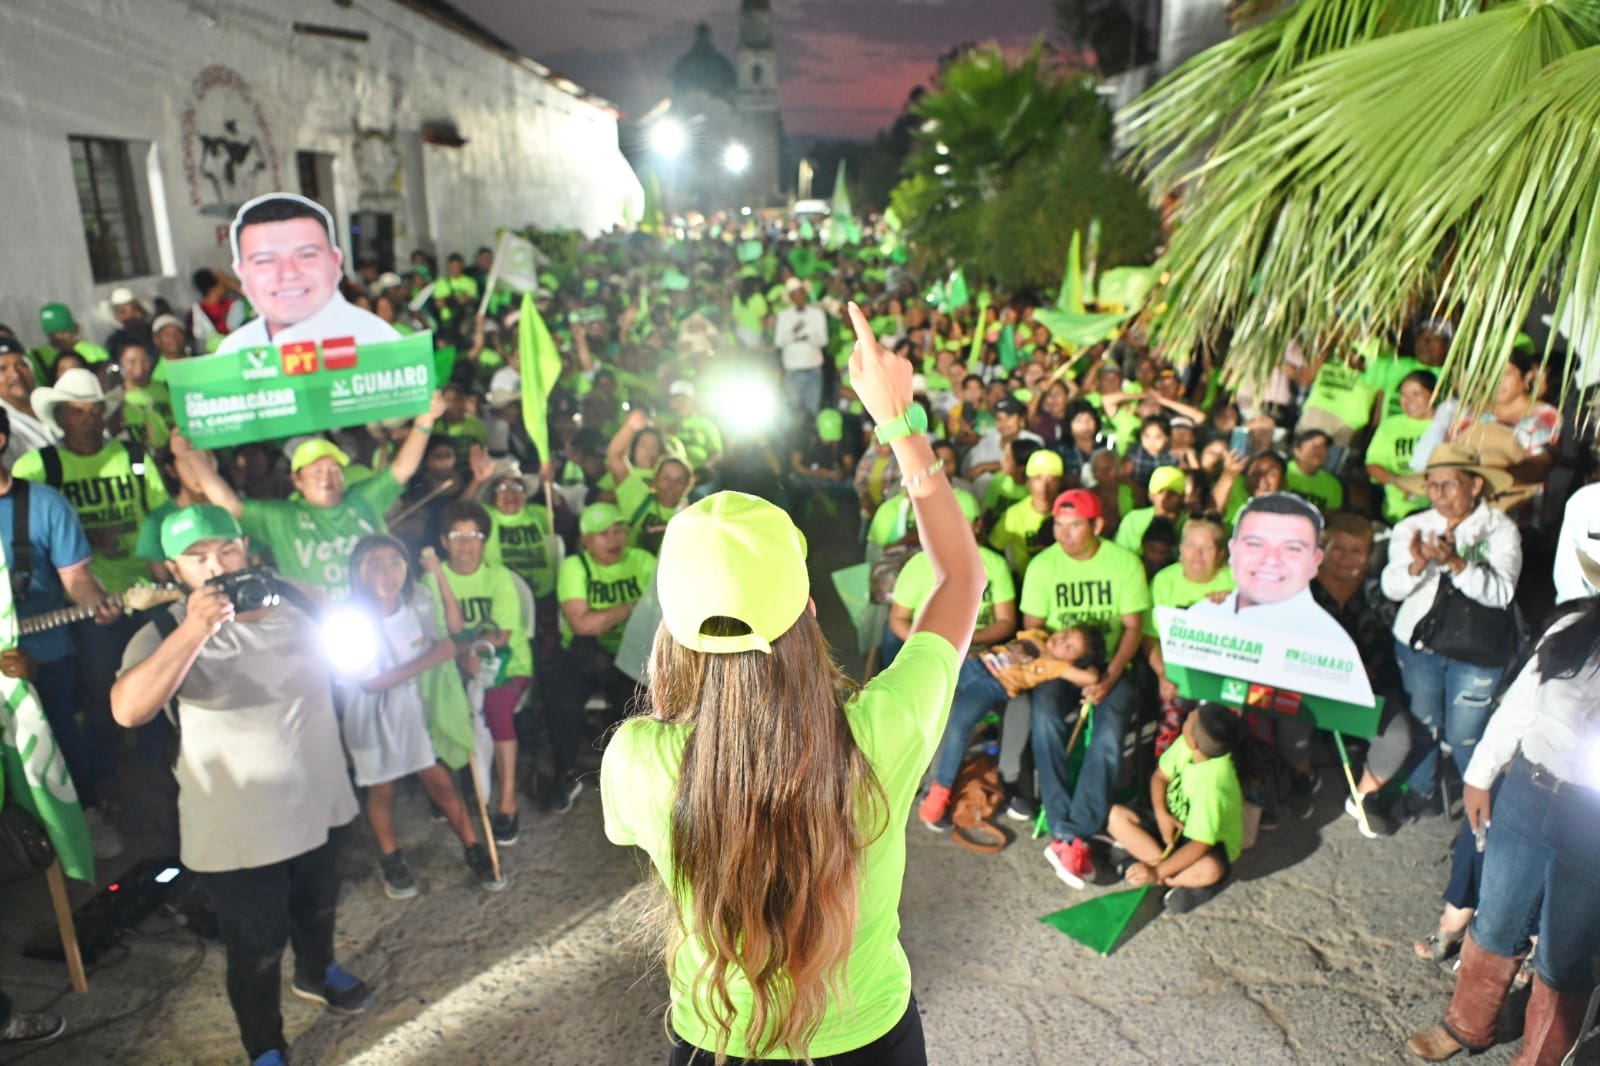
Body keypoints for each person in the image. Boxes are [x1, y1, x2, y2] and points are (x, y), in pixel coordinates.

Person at [600, 302, 984, 1064]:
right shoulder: (880, 732)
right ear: (809, 611)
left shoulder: (637, 760)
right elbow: (961, 577)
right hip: (870, 1039)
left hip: (713, 1042)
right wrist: (899, 422)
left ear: (669, 632)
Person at [110, 505, 371, 1066]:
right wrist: (195, 629)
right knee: (256, 946)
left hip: (319, 797)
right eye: (197, 558)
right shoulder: (163, 632)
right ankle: (265, 1046)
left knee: (319, 904)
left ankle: (317, 970)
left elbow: (354, 650)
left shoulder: (296, 598)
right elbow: (128, 710)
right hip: (236, 829)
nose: (217, 566)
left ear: (245, 549)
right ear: (174, 570)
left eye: (226, 550)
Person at [1404, 587, 1600, 1066]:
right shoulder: (1571, 630)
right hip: (1527, 795)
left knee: (1566, 951)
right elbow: (1520, 705)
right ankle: (1466, 1025)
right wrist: (1480, 775)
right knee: (1496, 917)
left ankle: (1541, 1059)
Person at [340, 536, 503, 895]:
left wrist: (460, 654)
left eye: (395, 562)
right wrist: (434, 657)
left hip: (414, 710)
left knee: (440, 780)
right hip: (371, 718)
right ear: (358, 572)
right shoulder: (348, 621)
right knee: (382, 788)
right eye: (376, 564)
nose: (388, 572)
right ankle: (391, 859)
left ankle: (474, 847)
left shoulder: (415, 604)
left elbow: (440, 641)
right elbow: (370, 683)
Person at [173, 392, 446, 597]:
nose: (327, 479)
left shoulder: (363, 500)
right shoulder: (282, 518)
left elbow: (403, 468)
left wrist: (425, 421)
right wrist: (192, 457)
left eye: (334, 470)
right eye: (316, 472)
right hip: (315, 622)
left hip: (376, 610)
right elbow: (229, 504)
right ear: (297, 480)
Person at [0, 407, 122, 852]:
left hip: (45, 650)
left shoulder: (45, 504)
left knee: (61, 735)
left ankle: (84, 814)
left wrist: (96, 602)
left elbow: (76, 578)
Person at [1381, 444, 1522, 821]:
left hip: (1477, 652)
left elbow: (1502, 593)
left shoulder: (1500, 529)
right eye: (1432, 486)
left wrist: (1458, 564)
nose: (1439, 495)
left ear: (1475, 485)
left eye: (1449, 485)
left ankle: (1485, 808)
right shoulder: (1412, 526)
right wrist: (1417, 566)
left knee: (1465, 736)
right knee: (1422, 725)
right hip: (1419, 647)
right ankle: (1422, 792)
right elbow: (1391, 588)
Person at [1021, 488, 1152, 888]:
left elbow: (1132, 627)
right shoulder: (1043, 565)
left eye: (1074, 525)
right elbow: (1032, 632)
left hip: (1110, 663)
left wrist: (1109, 676)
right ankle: (1066, 829)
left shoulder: (1124, 563)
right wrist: (1065, 671)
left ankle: (1075, 828)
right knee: (1045, 720)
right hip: (1059, 666)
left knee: (1109, 734)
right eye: (1058, 525)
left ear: (1097, 525)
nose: (1064, 534)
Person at [424, 502, 531, 843]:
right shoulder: (433, 579)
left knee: (497, 709)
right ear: (444, 541)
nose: (466, 544)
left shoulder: (498, 576)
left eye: (474, 535)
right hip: (452, 664)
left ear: (485, 541)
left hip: (507, 664)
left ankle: (507, 801)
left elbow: (502, 634)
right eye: (457, 536)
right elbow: (435, 631)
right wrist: (461, 660)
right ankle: (446, 789)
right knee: (433, 703)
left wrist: (471, 653)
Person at [548, 502, 655, 810]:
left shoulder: (642, 560)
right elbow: (581, 625)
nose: (614, 539)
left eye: (619, 530)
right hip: (586, 653)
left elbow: (660, 611)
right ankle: (565, 774)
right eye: (603, 534)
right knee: (561, 701)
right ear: (586, 541)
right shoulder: (575, 566)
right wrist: (632, 607)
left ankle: (636, 781)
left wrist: (605, 617)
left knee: (641, 708)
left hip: (632, 651)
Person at [217, 193, 399, 354]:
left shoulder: (377, 341)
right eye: (265, 261)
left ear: (335, 262)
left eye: (306, 256)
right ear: (242, 273)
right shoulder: (234, 352)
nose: (288, 273)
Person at [1107, 703, 1244, 914]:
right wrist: (1162, 815)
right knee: (1116, 816)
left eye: (1190, 719)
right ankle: (1161, 871)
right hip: (1171, 821)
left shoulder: (1214, 786)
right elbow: (1160, 776)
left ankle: (1160, 875)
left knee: (1211, 869)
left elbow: (1201, 844)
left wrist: (1156, 872)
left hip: (1203, 843)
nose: (1188, 715)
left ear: (1193, 740)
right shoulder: (1190, 746)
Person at [1187, 493, 1358, 650]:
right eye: (1255, 544)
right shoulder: (1200, 618)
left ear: (1315, 561)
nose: (1271, 559)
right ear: (1233, 551)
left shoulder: (1332, 644)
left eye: (1292, 548)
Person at [1144, 519, 1234, 757]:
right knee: (1171, 723)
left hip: (1222, 677)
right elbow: (1149, 637)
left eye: (1207, 548)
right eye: (1191, 546)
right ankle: (1166, 773)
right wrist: (1162, 674)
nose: (1197, 554)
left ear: (1220, 554)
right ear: (1180, 551)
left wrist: (1235, 603)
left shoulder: (1235, 582)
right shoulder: (1164, 581)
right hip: (1177, 673)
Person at [773, 276, 829, 416]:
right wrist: (794, 334)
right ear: (791, 297)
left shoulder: (817, 314)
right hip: (792, 372)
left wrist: (808, 336)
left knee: (812, 412)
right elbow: (779, 341)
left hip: (813, 371)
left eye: (801, 292)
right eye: (795, 294)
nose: (799, 297)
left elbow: (823, 340)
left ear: (805, 294)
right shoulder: (784, 316)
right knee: (792, 413)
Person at [0, 337, 54, 469]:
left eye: (21, 365)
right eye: (2, 369)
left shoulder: (55, 404)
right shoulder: (2, 424)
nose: (15, 374)